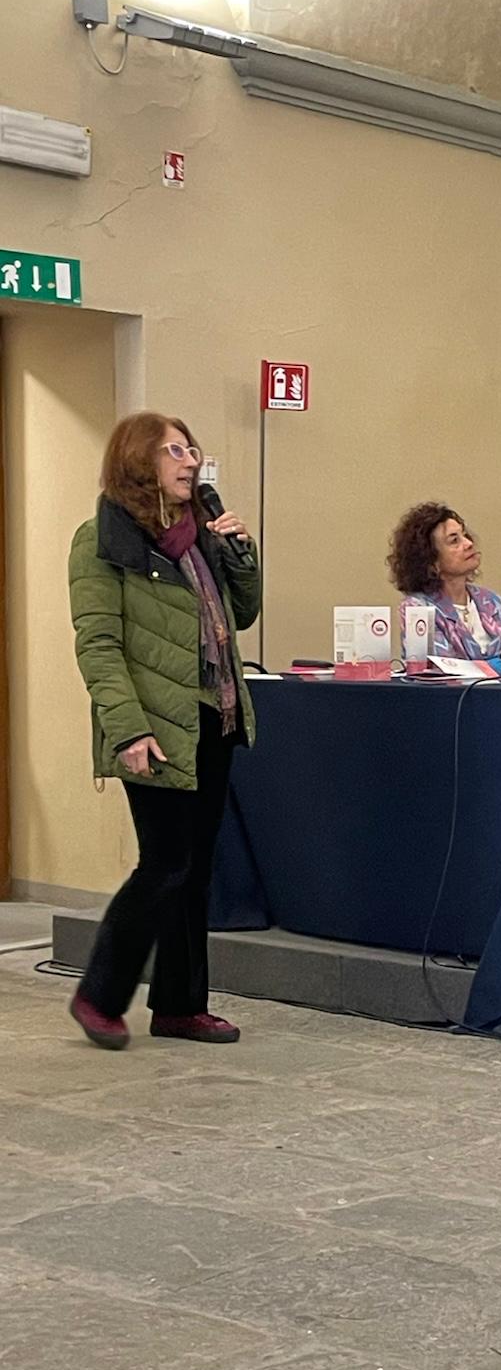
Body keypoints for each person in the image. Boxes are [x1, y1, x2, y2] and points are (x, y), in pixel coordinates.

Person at [67, 413, 261, 1050]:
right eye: (174, 450)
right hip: (153, 725)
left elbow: (243, 615)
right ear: (138, 461)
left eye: (191, 449)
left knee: (194, 869)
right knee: (166, 864)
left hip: (213, 716)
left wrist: (241, 553)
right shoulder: (103, 538)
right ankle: (100, 994)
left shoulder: (201, 534)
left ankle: (180, 1007)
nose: (190, 460)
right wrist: (127, 730)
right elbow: (99, 644)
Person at [389, 502, 501, 671]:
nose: (468, 543)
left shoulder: (490, 601)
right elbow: (440, 672)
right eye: (454, 540)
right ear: (431, 561)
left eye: (465, 535)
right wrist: (500, 665)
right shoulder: (418, 609)